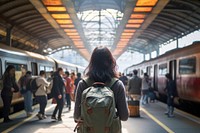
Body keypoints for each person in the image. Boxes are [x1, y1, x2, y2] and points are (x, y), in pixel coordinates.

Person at [74, 46, 129, 132]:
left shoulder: (83, 84)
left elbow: (76, 117)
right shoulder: (118, 85)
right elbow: (124, 116)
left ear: (91, 63)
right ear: (111, 62)